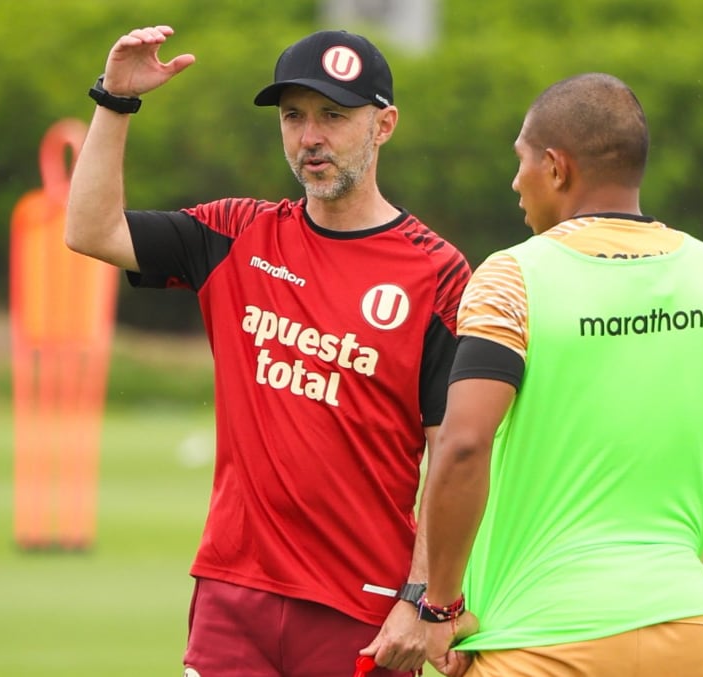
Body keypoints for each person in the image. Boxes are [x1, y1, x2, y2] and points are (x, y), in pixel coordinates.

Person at [419, 73, 703, 676]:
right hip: (688, 633)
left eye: (521, 160)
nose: (514, 180)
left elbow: (464, 445)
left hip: (536, 640)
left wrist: (439, 609)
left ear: (556, 167)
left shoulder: (510, 278)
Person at [65, 25, 471, 677]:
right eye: (294, 117)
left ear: (384, 124)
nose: (310, 137)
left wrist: (424, 601)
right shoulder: (236, 233)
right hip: (232, 597)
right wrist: (115, 99)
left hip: (361, 609)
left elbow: (454, 455)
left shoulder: (438, 274)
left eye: (333, 116)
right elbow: (91, 228)